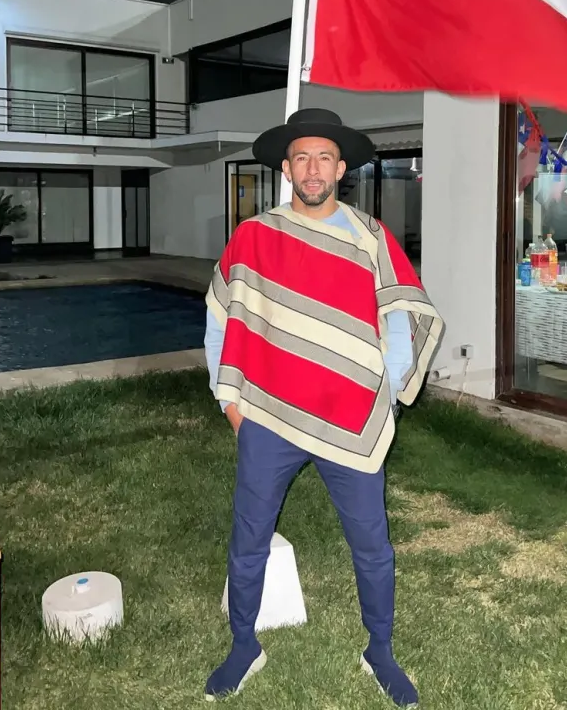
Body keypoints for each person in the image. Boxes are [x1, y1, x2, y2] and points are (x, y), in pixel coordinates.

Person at [204, 108, 444, 706]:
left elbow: (397, 322)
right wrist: (231, 404)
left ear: (341, 168)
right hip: (268, 417)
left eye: (324, 158)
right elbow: (220, 323)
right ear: (286, 169)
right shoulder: (254, 237)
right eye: (302, 158)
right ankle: (243, 646)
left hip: (350, 420)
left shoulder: (370, 237)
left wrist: (384, 398)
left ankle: (380, 651)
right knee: (248, 539)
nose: (313, 169)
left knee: (373, 546)